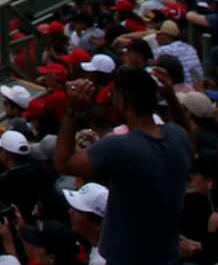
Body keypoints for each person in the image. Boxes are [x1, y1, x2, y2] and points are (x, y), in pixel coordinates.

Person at [53, 68, 191, 265]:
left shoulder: (120, 146)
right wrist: (171, 98)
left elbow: (63, 163)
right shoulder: (178, 137)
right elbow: (185, 133)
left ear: (123, 102)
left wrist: (73, 110)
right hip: (168, 255)